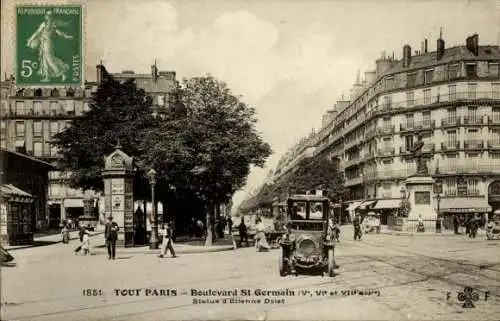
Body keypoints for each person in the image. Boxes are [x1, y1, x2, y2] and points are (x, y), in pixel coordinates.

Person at [26, 10, 73, 82]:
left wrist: (67, 36)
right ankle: (47, 77)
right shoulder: (44, 24)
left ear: (51, 16)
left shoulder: (53, 24)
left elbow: (59, 33)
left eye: (50, 15)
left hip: (48, 43)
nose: (48, 16)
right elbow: (37, 33)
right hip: (43, 43)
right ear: (46, 16)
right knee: (44, 59)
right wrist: (30, 41)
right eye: (48, 15)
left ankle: (62, 73)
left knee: (49, 59)